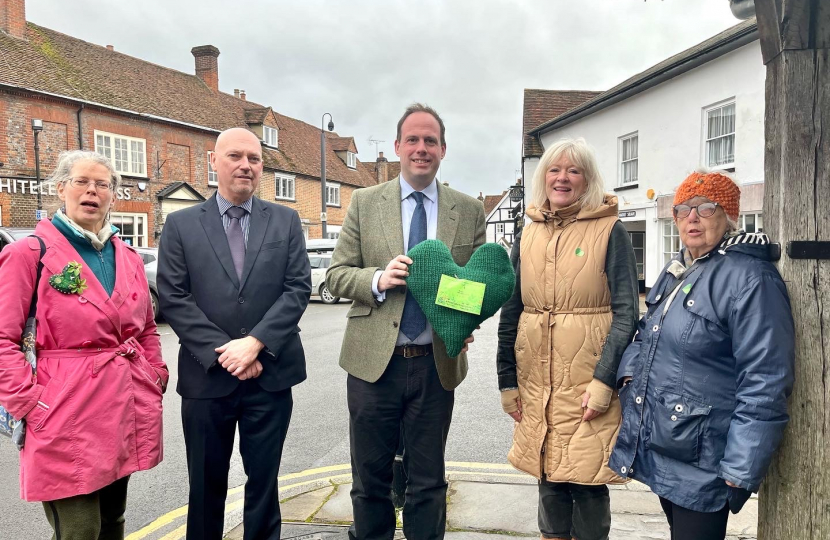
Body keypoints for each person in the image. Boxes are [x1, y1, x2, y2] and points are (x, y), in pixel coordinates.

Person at [327, 103, 486, 540]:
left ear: (443, 150)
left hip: (436, 365)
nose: (421, 148)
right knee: (370, 481)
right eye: (412, 140)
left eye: (430, 141)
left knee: (429, 482)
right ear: (397, 147)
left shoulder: (469, 210)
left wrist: (461, 318)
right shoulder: (364, 201)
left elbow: (476, 288)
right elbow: (337, 274)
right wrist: (379, 278)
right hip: (372, 364)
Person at [609, 171, 794, 540]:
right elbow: (646, 332)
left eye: (705, 208)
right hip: (666, 443)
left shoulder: (752, 279)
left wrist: (741, 468)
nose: (692, 217)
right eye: (683, 209)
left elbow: (766, 378)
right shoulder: (678, 267)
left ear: (728, 217)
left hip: (706, 459)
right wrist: (628, 377)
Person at [0, 150, 166, 539]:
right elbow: (3, 338)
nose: (92, 191)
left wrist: (155, 373)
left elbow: (146, 328)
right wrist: (27, 401)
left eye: (103, 184)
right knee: (80, 531)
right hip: (60, 410)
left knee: (113, 522)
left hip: (123, 404)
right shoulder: (29, 253)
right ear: (60, 188)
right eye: (82, 182)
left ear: (113, 196)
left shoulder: (126, 256)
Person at [158, 128, 311, 540]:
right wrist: (225, 352)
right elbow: (173, 296)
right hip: (207, 378)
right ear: (214, 161)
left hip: (271, 374)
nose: (246, 165)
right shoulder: (181, 224)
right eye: (235, 156)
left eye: (254, 158)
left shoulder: (285, 219)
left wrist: (255, 343)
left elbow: (298, 288)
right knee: (205, 486)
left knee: (265, 482)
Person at [496, 138, 639, 540]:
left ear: (587, 179)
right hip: (537, 382)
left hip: (586, 382)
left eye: (573, 170)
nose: (562, 178)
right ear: (544, 177)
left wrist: (604, 381)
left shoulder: (611, 230)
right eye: (555, 170)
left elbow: (628, 313)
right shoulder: (529, 233)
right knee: (549, 480)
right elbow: (512, 311)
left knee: (588, 484)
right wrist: (506, 381)